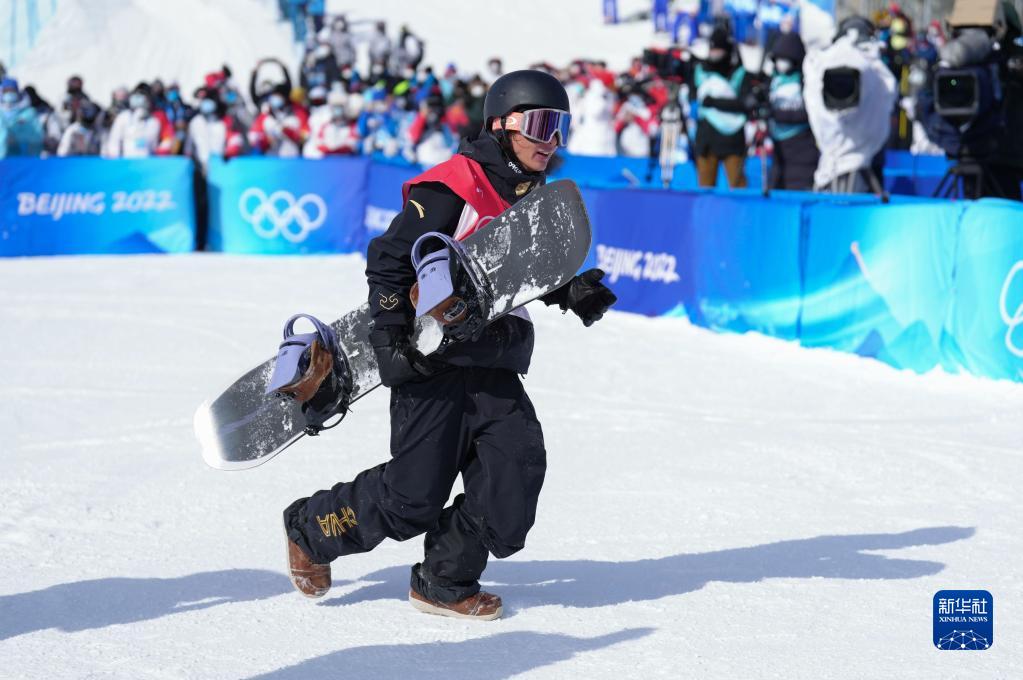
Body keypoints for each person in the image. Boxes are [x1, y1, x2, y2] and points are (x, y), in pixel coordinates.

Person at [282, 69, 617, 621]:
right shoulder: (451, 185)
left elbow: (512, 271)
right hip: (431, 368)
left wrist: (569, 290)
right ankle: (312, 528)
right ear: (503, 124)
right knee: (411, 500)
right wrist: (389, 338)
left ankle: (445, 580)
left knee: (514, 479)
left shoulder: (527, 192)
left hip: (494, 362)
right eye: (539, 125)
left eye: (559, 127)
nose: (550, 141)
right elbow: (389, 261)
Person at [689, 25, 755, 188]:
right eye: (712, 50)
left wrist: (713, 102)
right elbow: (692, 97)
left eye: (718, 50)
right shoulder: (700, 71)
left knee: (738, 187)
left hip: (732, 142)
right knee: (705, 189)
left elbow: (744, 104)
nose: (714, 54)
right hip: (706, 142)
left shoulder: (740, 73)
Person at [763, 31, 819, 190]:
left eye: (785, 59)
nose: (781, 64)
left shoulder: (808, 81)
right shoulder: (773, 82)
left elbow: (811, 113)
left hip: (802, 147)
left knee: (799, 188)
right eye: (778, 59)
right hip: (779, 147)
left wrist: (778, 115)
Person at [102, 83, 176, 158]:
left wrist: (158, 155)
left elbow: (165, 140)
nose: (138, 98)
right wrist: (115, 159)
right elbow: (114, 141)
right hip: (125, 163)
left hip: (148, 162)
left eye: (142, 96)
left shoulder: (155, 120)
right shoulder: (124, 117)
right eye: (136, 95)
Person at [0, 77, 44, 159]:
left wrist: (17, 139)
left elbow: (37, 137)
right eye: (6, 91)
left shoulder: (29, 113)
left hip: (23, 160)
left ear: (17, 91)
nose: (9, 94)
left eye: (12, 91)